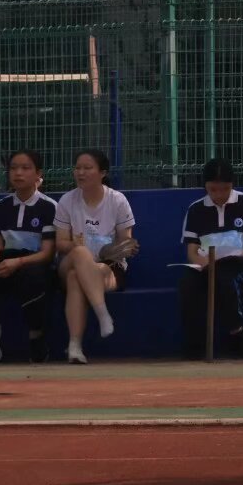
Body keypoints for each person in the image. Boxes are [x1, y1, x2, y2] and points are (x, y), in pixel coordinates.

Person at [178, 157, 243, 360]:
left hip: (242, 266)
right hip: (207, 265)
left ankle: (237, 334)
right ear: (205, 186)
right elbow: (192, 250)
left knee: (225, 279)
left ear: (232, 185)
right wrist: (204, 263)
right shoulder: (196, 209)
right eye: (213, 190)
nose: (219, 195)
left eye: (225, 189)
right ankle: (195, 342)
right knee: (188, 284)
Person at [54, 149, 138, 365]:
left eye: (87, 168)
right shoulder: (67, 200)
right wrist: (79, 246)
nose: (81, 172)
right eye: (78, 168)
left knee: (76, 278)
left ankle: (74, 346)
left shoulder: (117, 200)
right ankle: (102, 313)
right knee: (80, 253)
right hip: (72, 260)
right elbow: (60, 243)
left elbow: (126, 242)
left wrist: (115, 250)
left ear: (102, 173)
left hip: (107, 266)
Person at [0, 148, 59, 362]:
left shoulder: (50, 207)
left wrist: (18, 262)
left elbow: (47, 254)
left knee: (33, 276)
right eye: (14, 168)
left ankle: (37, 336)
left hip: (34, 264)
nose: (18, 173)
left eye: (25, 168)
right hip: (6, 262)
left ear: (38, 174)